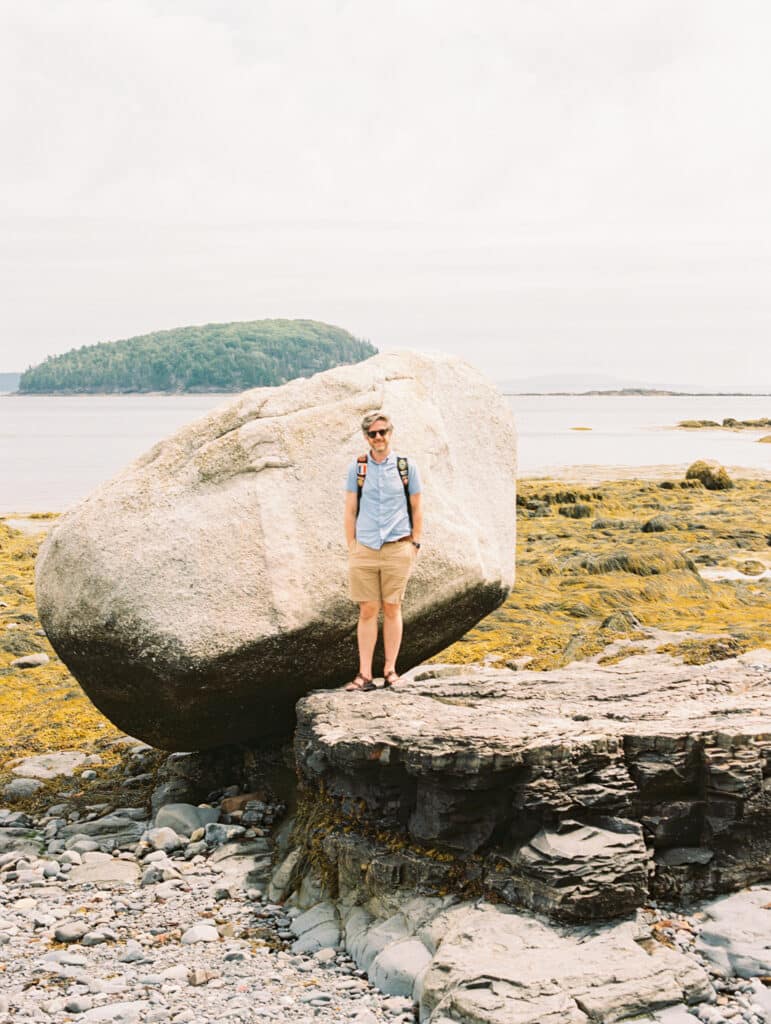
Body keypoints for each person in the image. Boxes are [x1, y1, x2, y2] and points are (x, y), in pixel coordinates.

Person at [343, 412, 423, 691]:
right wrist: (351, 545)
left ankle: (389, 670)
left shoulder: (406, 466)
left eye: (383, 432)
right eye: (373, 433)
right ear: (367, 437)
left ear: (391, 432)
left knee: (392, 607)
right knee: (367, 609)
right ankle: (364, 675)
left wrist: (415, 543)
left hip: (397, 546)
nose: (379, 437)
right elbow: (351, 508)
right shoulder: (357, 468)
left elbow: (417, 506)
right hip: (364, 548)